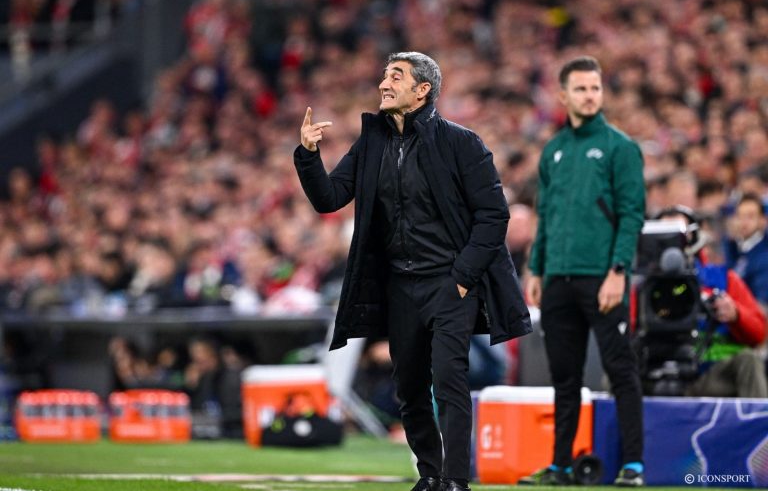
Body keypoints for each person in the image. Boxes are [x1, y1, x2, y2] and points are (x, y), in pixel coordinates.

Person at [294, 51, 531, 491]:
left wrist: (463, 277)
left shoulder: (462, 142)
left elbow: (494, 215)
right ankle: (430, 475)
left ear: (422, 90)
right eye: (385, 75)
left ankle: (456, 480)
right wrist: (309, 155)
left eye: (395, 76)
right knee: (409, 387)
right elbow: (329, 198)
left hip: (450, 283)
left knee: (450, 380)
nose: (384, 83)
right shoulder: (372, 143)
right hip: (400, 285)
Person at [523, 56, 646, 487]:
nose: (590, 95)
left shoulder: (620, 148)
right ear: (563, 95)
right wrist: (536, 268)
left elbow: (632, 215)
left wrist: (618, 270)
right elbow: (546, 215)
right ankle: (559, 466)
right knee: (564, 378)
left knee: (621, 369)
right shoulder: (553, 150)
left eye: (595, 88)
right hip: (557, 278)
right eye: (581, 89)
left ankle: (633, 465)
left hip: (602, 278)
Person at [657, 206, 768, 398]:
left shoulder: (724, 279)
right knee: (620, 366)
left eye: (680, 233)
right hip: (659, 372)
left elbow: (759, 333)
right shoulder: (643, 284)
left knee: (749, 360)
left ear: (694, 236)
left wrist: (736, 314)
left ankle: (759, 419)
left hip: (710, 373)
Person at [724, 193, 768, 306]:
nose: (744, 222)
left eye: (750, 216)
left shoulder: (764, 256)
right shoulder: (734, 248)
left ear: (763, 220)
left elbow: (761, 304)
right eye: (740, 216)